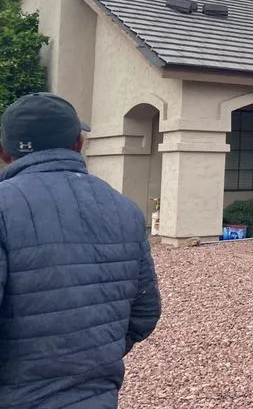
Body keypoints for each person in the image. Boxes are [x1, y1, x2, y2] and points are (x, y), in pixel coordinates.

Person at [0, 92, 161, 408]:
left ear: (4, 151)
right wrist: (91, 356)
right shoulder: (125, 209)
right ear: (79, 144)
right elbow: (145, 313)